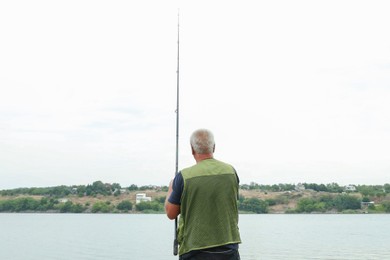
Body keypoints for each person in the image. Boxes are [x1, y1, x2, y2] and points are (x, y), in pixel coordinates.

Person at [165, 129, 241, 260]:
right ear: (214, 147)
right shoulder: (231, 171)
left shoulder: (183, 177)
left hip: (194, 249)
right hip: (228, 248)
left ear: (192, 149)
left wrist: (171, 188)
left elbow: (171, 213)